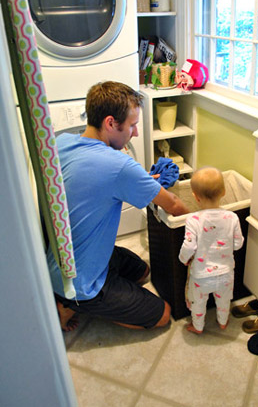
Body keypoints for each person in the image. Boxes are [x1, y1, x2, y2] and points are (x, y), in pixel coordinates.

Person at [49, 81, 190, 331]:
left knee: (142, 271)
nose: (135, 132)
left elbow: (97, 182)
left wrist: (142, 180)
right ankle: (71, 304)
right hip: (80, 280)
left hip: (60, 261)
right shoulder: (119, 166)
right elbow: (175, 205)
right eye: (133, 125)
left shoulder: (61, 143)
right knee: (163, 316)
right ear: (111, 123)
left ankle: (77, 295)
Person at [178, 167, 244, 334]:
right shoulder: (232, 217)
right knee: (224, 301)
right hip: (226, 273)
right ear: (223, 192)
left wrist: (183, 258)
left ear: (195, 196)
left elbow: (189, 245)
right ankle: (223, 321)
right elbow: (238, 244)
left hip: (201, 276)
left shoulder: (193, 219)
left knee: (198, 303)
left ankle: (198, 326)